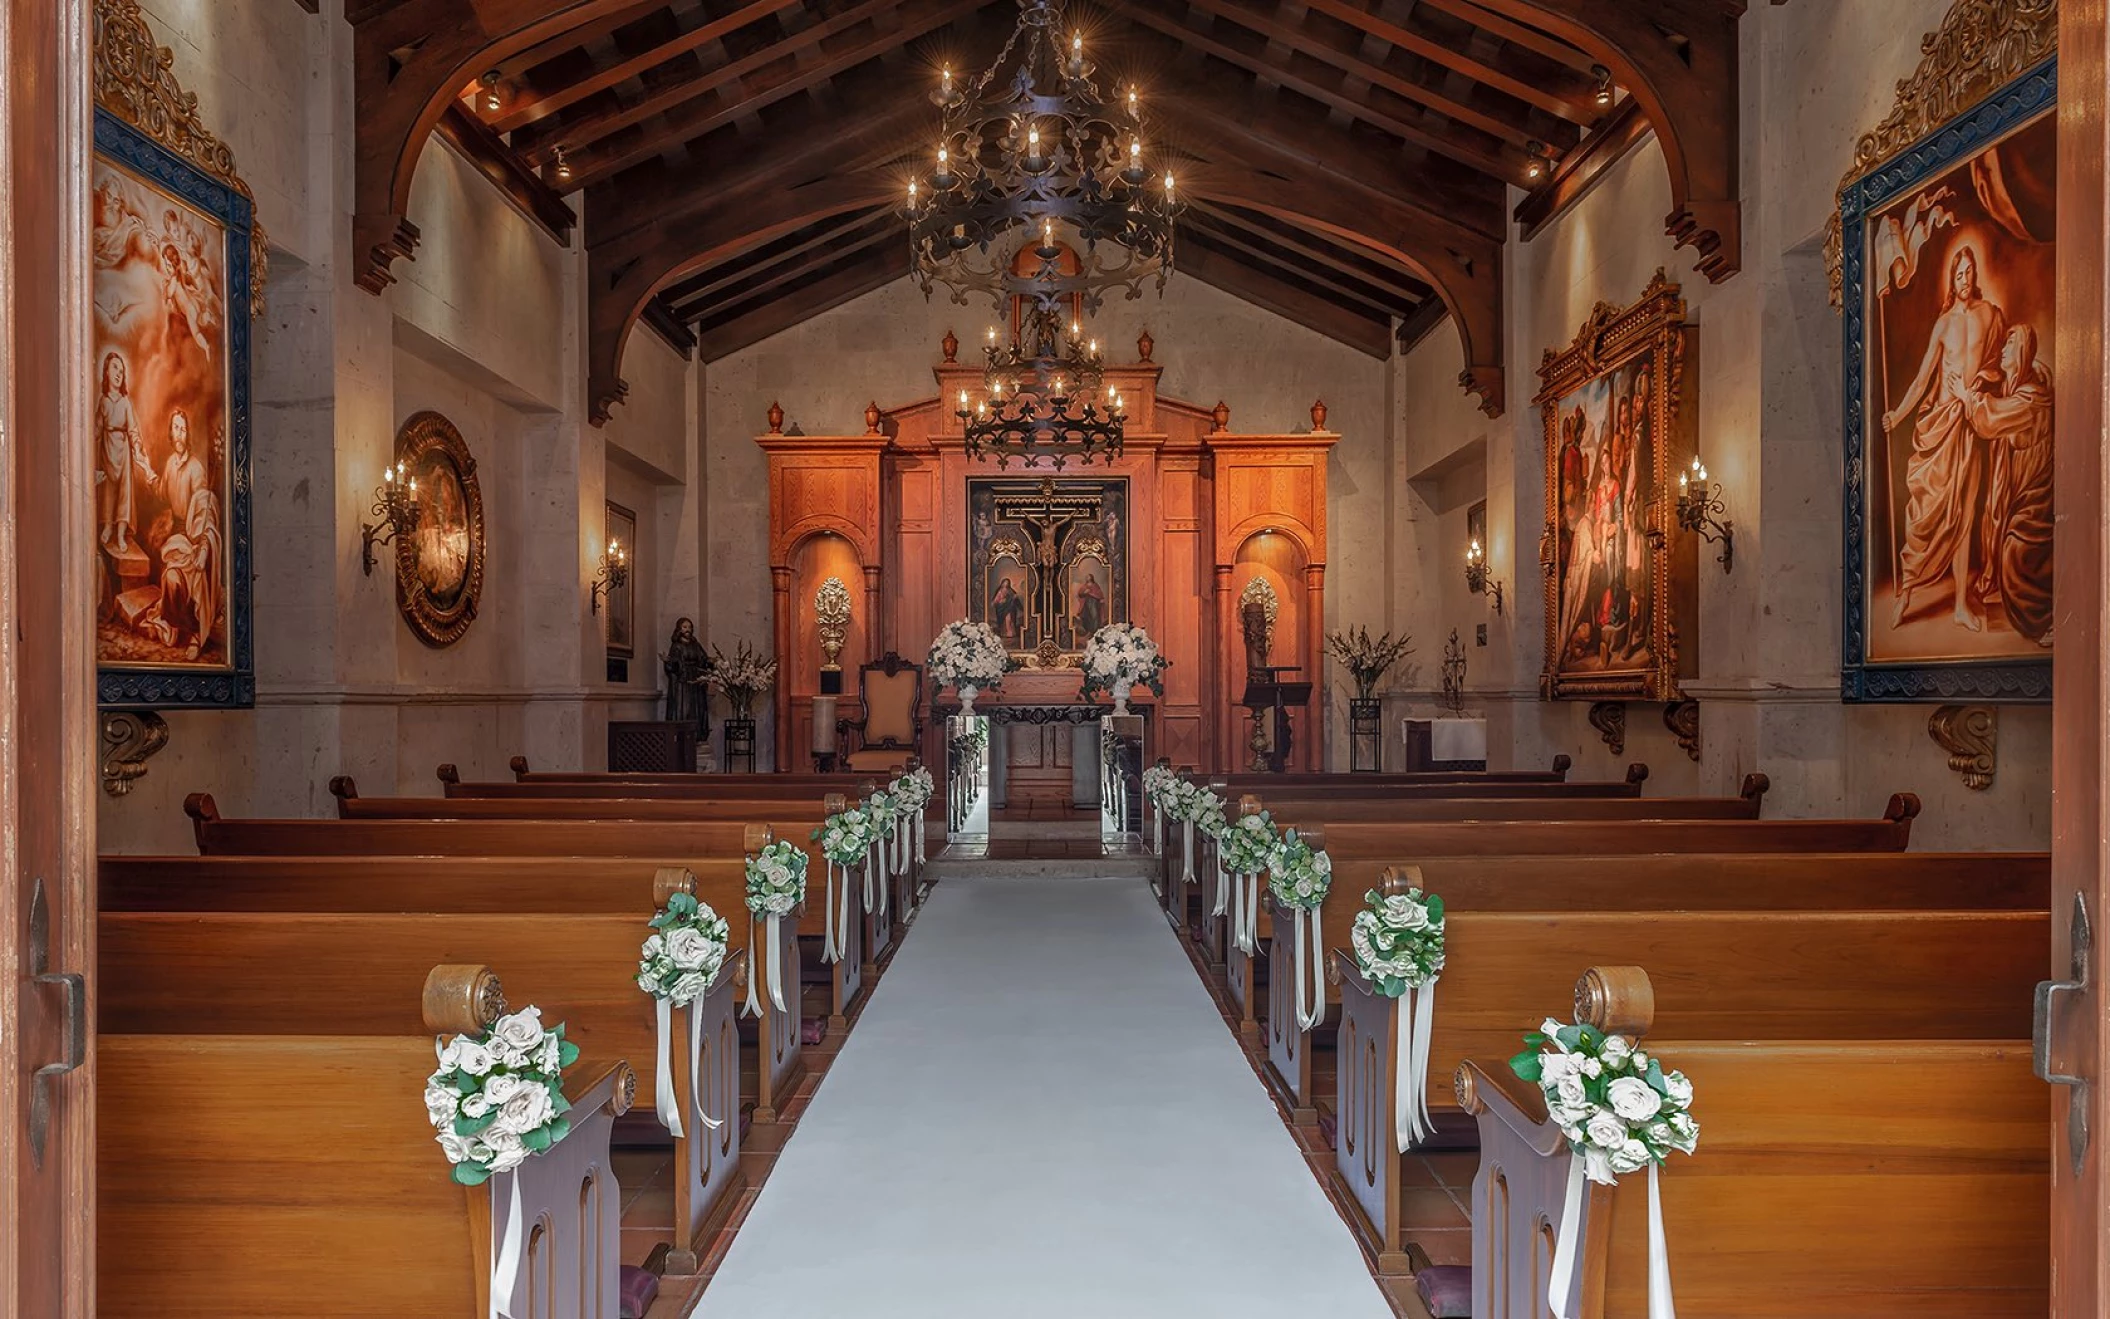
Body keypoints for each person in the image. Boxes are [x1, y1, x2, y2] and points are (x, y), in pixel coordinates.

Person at [1882, 244, 2006, 632]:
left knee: (1964, 515)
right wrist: (1898, 414)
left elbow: (1999, 368)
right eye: (1959, 274)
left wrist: (1981, 386)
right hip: (1939, 425)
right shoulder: (1944, 324)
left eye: (1970, 272)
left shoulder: (1990, 315)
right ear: (1951, 280)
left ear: (1975, 276)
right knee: (1925, 517)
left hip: (1969, 423)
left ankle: (1959, 605)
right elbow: (1922, 378)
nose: (1965, 279)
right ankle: (1906, 593)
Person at [1964, 323, 2054, 645]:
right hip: (2022, 491)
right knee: (1997, 533)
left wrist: (1967, 397)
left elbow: (1990, 419)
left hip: (2037, 496)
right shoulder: (2017, 386)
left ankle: (2041, 623)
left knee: (2015, 553)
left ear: (2022, 352)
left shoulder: (2030, 398)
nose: (2002, 350)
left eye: (2008, 345)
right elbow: (1995, 383)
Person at [140, 410, 219, 659]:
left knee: (189, 581)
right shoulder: (171, 464)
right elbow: (163, 491)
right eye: (175, 428)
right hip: (176, 536)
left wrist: (203, 548)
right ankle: (180, 627)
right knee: (171, 579)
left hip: (193, 536)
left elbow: (204, 507)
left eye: (183, 429)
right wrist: (147, 470)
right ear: (170, 432)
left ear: (188, 433)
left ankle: (196, 632)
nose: (179, 434)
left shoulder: (196, 468)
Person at [95, 351, 151, 557]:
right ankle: (108, 526)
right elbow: (97, 429)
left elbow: (133, 430)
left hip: (123, 451)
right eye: (114, 368)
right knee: (109, 490)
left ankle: (120, 533)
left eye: (121, 369)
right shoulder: (103, 401)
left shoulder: (126, 403)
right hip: (107, 449)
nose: (119, 373)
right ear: (107, 373)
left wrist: (136, 447)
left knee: (124, 492)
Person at [662, 617, 711, 731]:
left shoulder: (696, 644)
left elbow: (703, 659)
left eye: (689, 627)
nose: (687, 630)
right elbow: (673, 666)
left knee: (697, 707)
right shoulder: (676, 646)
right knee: (683, 707)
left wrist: (710, 661)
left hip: (696, 679)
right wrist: (667, 662)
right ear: (679, 629)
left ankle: (698, 733)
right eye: (684, 627)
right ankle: (681, 734)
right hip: (682, 682)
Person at [990, 575, 1025, 645]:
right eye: (1004, 584)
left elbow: (1015, 600)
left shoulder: (1011, 591)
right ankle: (1005, 633)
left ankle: (1010, 633)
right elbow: (995, 601)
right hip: (1002, 609)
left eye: (1007, 584)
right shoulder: (999, 591)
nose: (1005, 586)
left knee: (1009, 619)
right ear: (1002, 584)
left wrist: (1015, 598)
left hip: (1010, 609)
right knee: (1005, 621)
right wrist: (1000, 602)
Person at [1071, 569, 1105, 635]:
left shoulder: (1095, 585)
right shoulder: (1084, 586)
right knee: (1086, 616)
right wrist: (1085, 592)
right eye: (1086, 577)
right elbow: (1080, 594)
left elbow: (1099, 593)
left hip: (1094, 603)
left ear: (1091, 578)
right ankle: (1088, 630)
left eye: (1088, 577)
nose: (1087, 578)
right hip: (1086, 604)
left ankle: (1094, 630)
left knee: (1094, 616)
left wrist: (1101, 599)